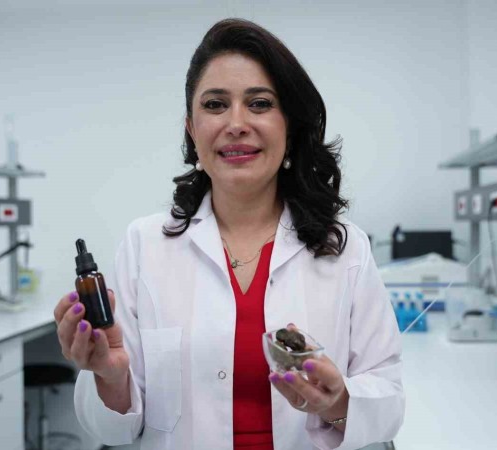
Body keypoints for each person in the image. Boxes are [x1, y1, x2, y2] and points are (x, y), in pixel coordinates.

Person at [53, 18, 404, 450]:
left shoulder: (345, 248)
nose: (236, 123)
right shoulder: (145, 245)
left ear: (290, 126)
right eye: (216, 104)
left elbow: (388, 399)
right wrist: (109, 376)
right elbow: (114, 430)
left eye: (259, 103)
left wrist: (338, 403)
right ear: (191, 129)